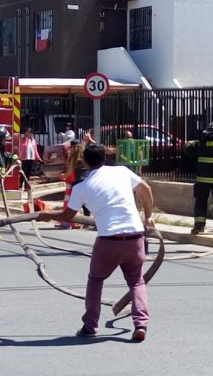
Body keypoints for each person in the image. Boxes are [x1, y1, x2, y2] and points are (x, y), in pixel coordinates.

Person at [36, 143, 154, 343]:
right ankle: (140, 324)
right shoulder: (122, 172)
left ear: (85, 162)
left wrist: (48, 215)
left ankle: (90, 326)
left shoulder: (81, 187)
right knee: (136, 281)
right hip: (135, 236)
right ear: (104, 158)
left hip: (108, 239)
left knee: (96, 280)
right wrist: (148, 217)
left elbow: (67, 215)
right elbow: (146, 189)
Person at [183, 119, 213, 234]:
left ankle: (199, 227)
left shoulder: (201, 144)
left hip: (202, 179)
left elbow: (187, 149)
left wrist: (194, 141)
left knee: (201, 202)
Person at [56, 142, 87, 229]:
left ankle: (67, 222)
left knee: (72, 204)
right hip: (88, 182)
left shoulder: (73, 159)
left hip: (77, 183)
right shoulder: (86, 158)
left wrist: (61, 176)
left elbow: (68, 173)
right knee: (86, 203)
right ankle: (87, 221)